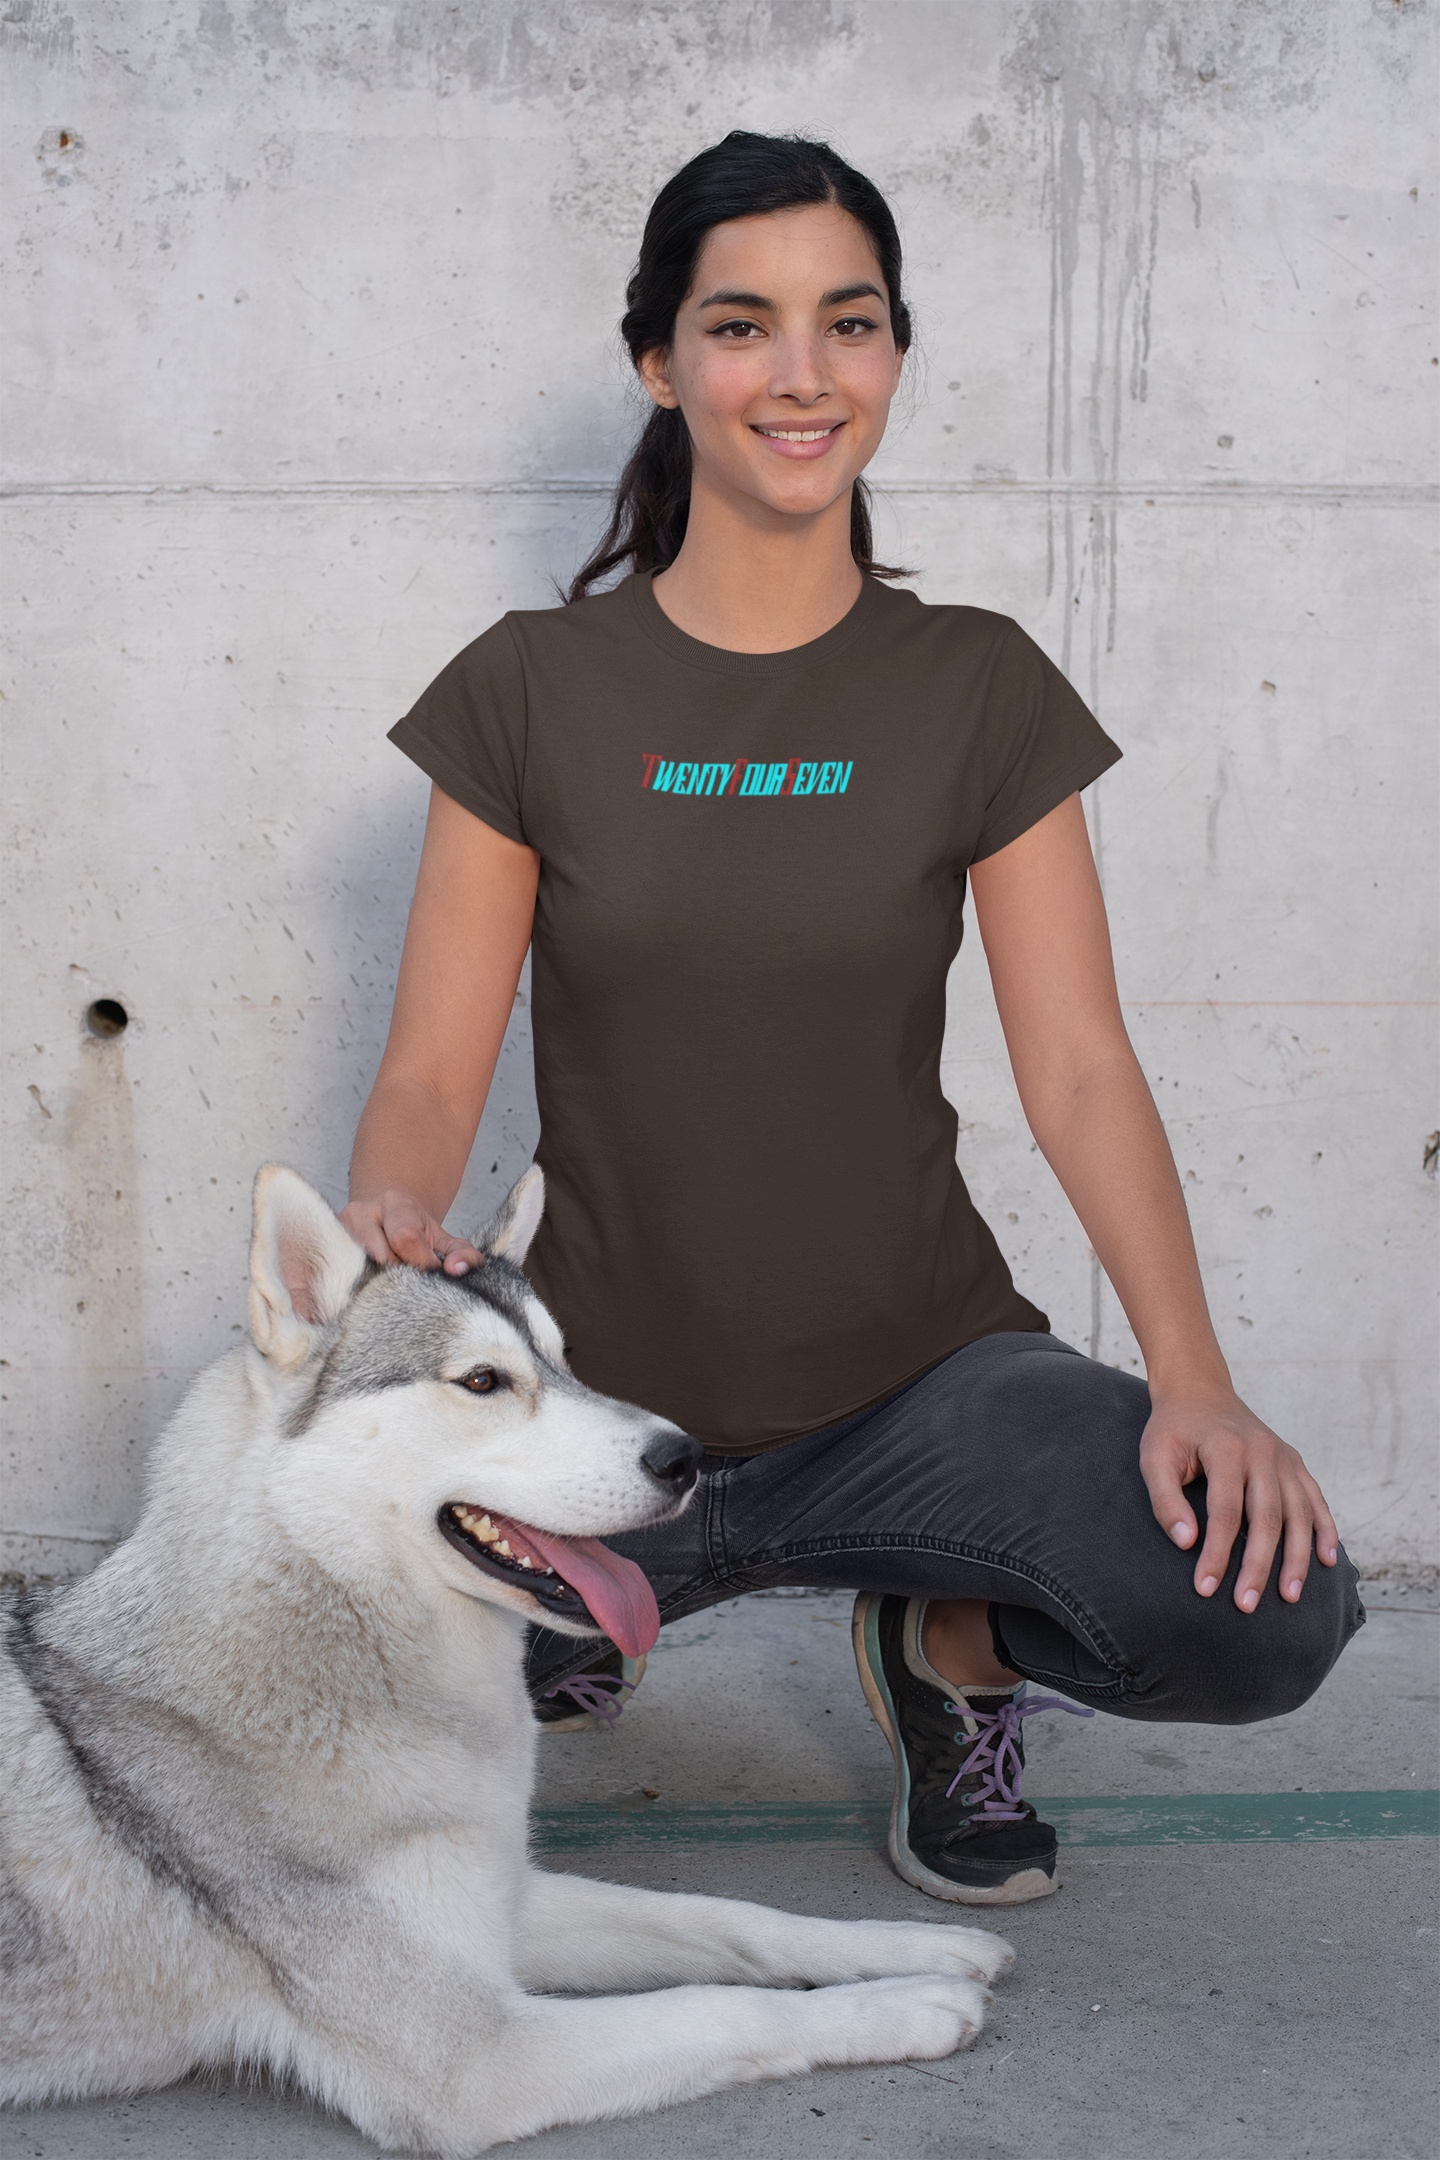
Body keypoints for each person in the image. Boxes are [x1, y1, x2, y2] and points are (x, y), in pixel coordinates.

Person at [343, 132, 1361, 1907]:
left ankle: (944, 1649)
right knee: (304, 1654)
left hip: (919, 1395)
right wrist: (393, 1234)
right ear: (660, 362)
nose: (803, 373)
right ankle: (587, 1592)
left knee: (1260, 1610)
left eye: (851, 321)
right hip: (594, 1405)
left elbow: (1079, 1068)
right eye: (742, 325)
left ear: (893, 352)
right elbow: (432, 1070)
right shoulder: (529, 689)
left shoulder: (975, 683)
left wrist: (1195, 1380)